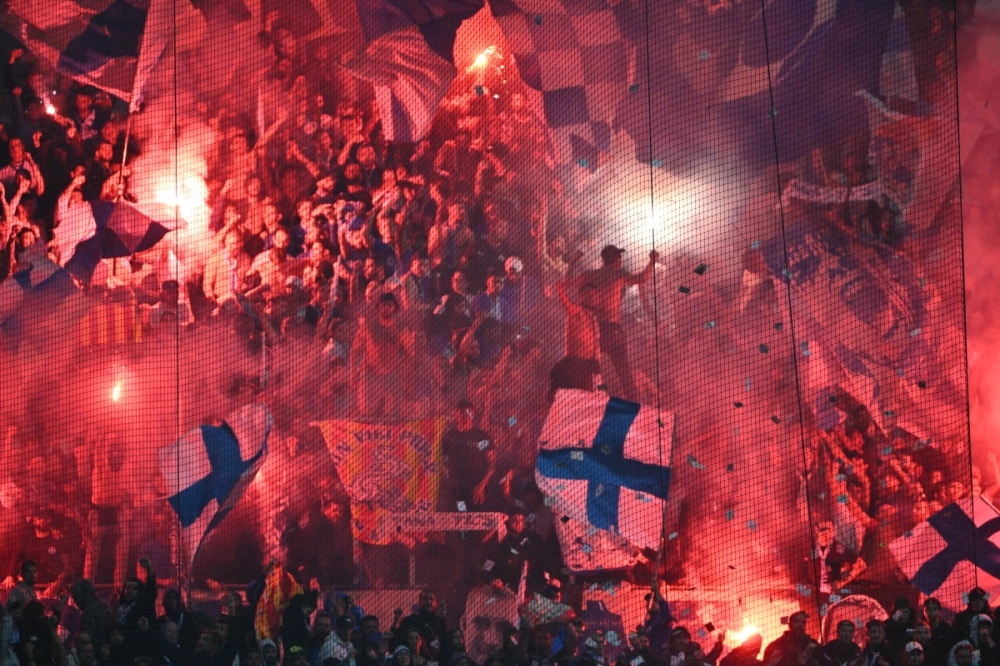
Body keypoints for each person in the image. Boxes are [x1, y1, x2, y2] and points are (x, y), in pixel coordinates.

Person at [580, 246, 657, 401]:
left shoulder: (591, 275)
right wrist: (651, 262)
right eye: (619, 258)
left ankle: (588, 401)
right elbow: (643, 278)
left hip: (594, 331)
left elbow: (570, 280)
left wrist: (574, 260)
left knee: (589, 369)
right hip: (613, 330)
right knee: (625, 373)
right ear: (615, 260)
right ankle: (633, 404)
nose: (621, 261)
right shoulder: (619, 275)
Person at [441, 400, 496, 511]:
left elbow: (492, 464)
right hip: (457, 491)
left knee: (476, 521)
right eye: (461, 413)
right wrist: (450, 480)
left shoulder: (481, 436)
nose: (465, 416)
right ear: (456, 414)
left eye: (468, 412)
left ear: (473, 414)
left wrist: (482, 485)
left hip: (476, 489)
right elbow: (443, 461)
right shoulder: (449, 437)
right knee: (460, 520)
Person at [550, 279, 600, 400]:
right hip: (574, 364)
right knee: (568, 399)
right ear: (581, 296)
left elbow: (596, 343)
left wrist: (596, 360)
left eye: (593, 295)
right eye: (587, 295)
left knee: (586, 400)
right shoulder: (576, 310)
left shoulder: (594, 319)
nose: (591, 298)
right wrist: (566, 285)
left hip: (587, 367)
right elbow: (564, 298)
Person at [397, 591, 448, 660]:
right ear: (419, 602)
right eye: (425, 599)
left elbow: (444, 642)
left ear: (435, 603)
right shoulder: (410, 620)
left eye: (431, 599)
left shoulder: (439, 622)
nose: (429, 602)